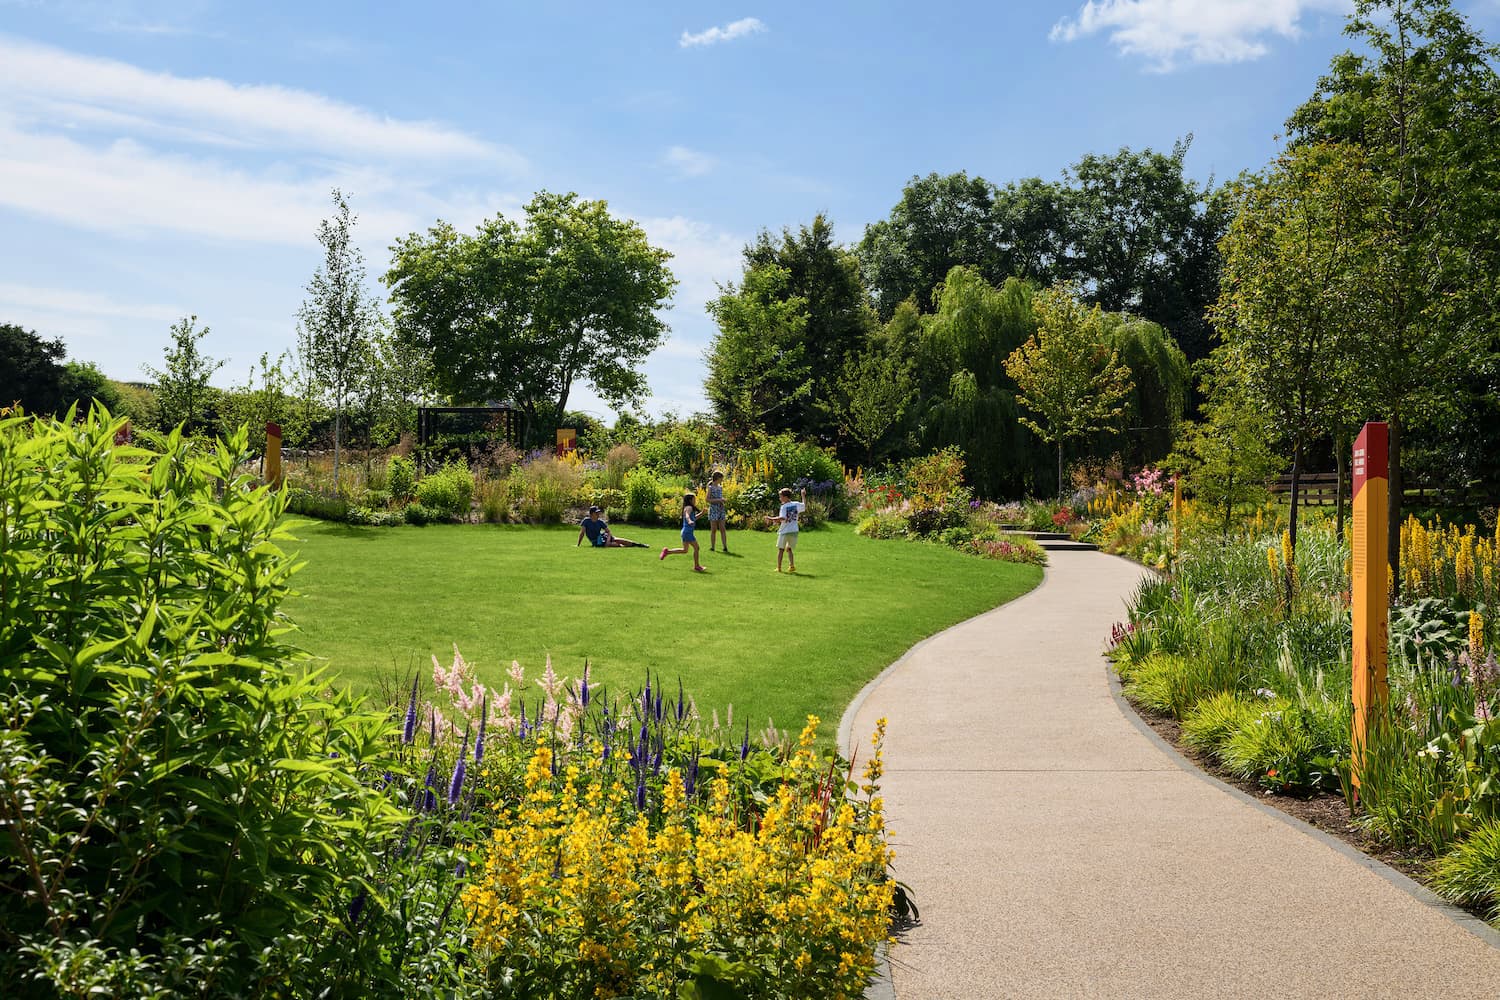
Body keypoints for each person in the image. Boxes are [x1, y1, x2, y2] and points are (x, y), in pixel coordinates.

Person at [659, 492, 706, 572]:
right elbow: (687, 515)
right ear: (690, 500)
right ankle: (697, 566)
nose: (695, 500)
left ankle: (667, 551)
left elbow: (694, 518)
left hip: (685, 532)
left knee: (685, 550)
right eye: (694, 499)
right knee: (696, 548)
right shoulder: (689, 508)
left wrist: (701, 513)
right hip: (687, 532)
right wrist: (689, 521)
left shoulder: (688, 507)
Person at [766, 486, 807, 573]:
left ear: (785, 497)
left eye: (780, 497)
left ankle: (779, 568)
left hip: (785, 531)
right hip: (794, 530)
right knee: (789, 548)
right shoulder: (796, 504)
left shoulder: (784, 507)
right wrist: (803, 495)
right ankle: (792, 566)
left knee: (781, 549)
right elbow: (804, 506)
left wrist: (771, 518)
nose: (780, 498)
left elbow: (782, 518)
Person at [576, 506, 646, 548]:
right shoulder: (586, 521)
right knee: (616, 545)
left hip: (603, 537)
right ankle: (626, 546)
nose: (598, 514)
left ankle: (638, 545)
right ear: (591, 514)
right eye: (596, 513)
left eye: (598, 513)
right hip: (597, 542)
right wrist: (578, 545)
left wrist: (608, 541)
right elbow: (582, 533)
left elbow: (608, 531)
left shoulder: (600, 522)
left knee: (619, 540)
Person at [706, 470, 729, 553]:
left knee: (723, 529)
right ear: (717, 478)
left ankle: (725, 547)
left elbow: (720, 498)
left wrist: (722, 501)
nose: (722, 480)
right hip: (713, 510)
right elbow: (707, 499)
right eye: (721, 478)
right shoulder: (710, 488)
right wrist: (719, 500)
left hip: (721, 510)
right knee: (714, 530)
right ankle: (712, 547)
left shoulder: (720, 487)